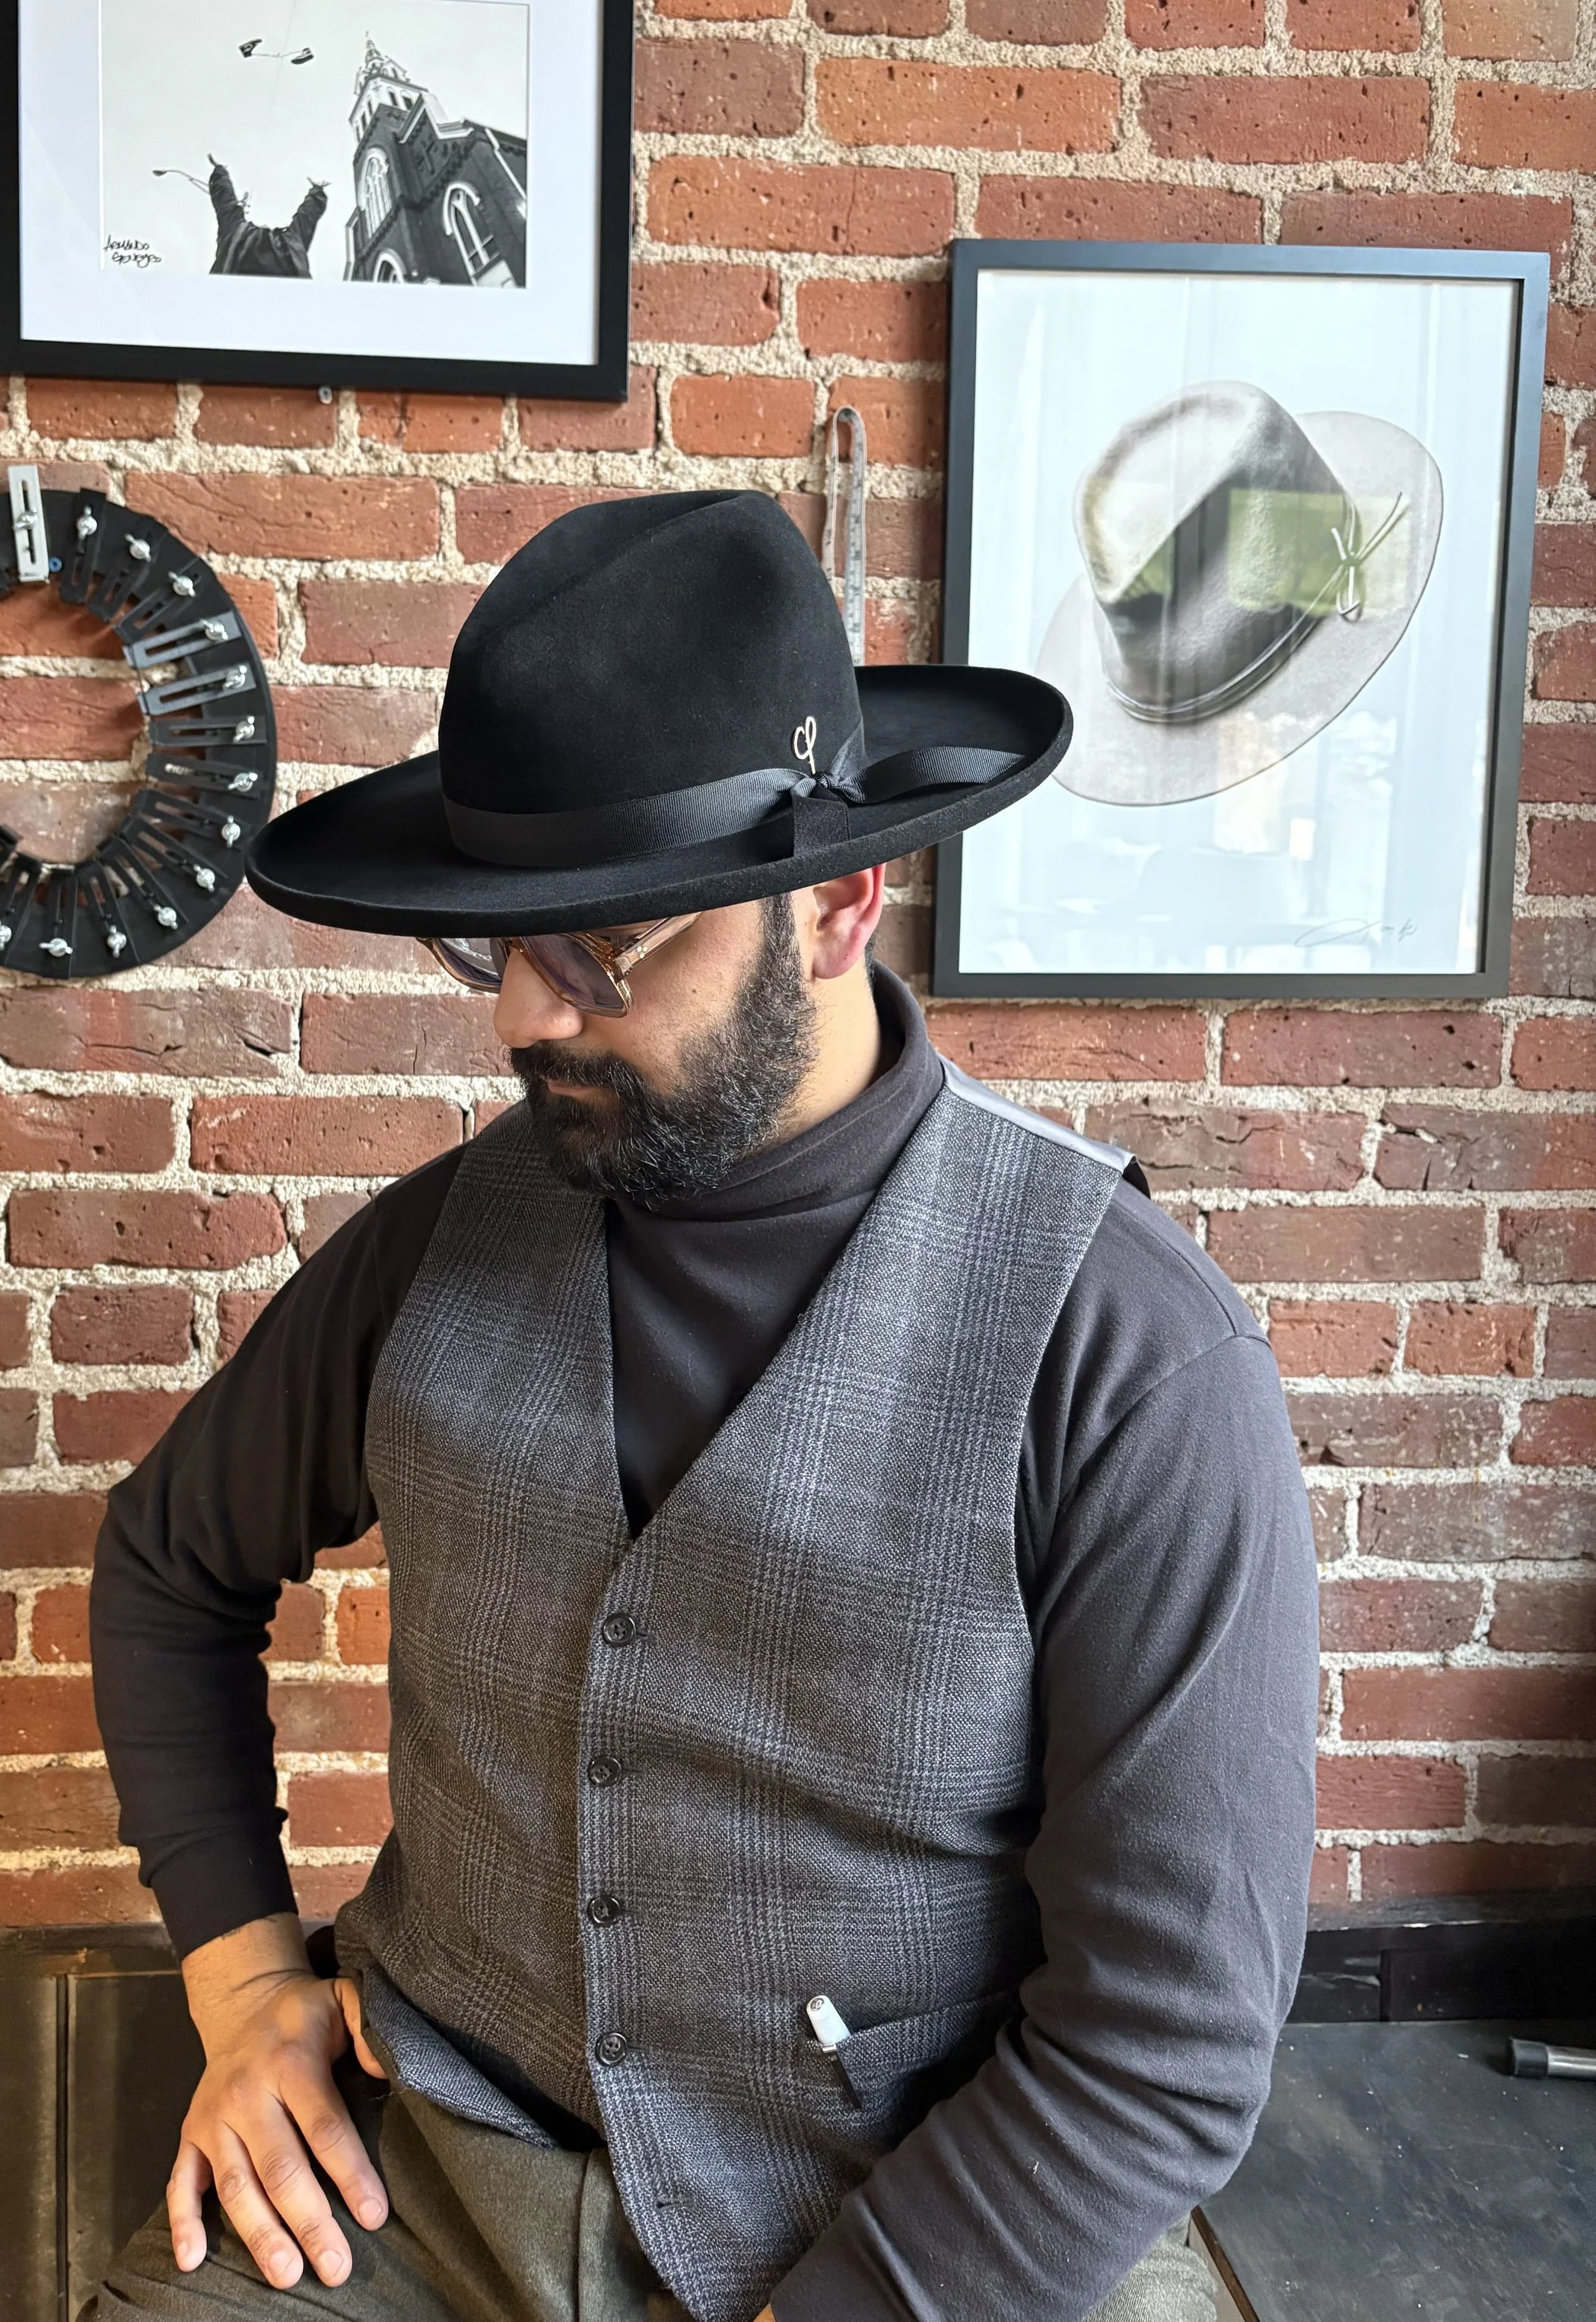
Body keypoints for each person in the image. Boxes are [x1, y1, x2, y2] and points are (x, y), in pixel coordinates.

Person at [90, 491, 1319, 2322]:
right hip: (433, 2165)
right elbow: (167, 1563)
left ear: (834, 903)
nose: (519, 1015)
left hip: (931, 2205)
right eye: (493, 944)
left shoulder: (1131, 1356)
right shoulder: (439, 1246)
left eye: (602, 949)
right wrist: (245, 1982)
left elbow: (1164, 2043)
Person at [208, 154, 327, 278]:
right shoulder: (292, 240)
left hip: (240, 282)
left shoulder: (237, 229)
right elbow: (306, 218)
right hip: (276, 284)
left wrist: (220, 172)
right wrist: (317, 192)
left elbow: (225, 203)